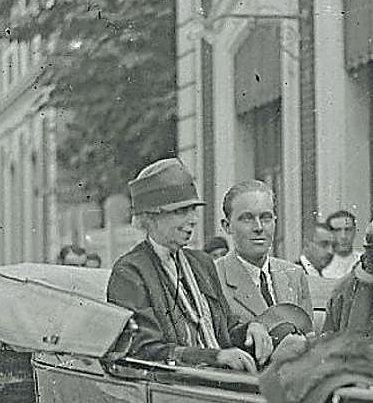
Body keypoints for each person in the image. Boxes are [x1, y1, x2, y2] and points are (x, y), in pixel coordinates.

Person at [106, 158, 271, 370]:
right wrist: (215, 357)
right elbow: (144, 350)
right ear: (150, 218)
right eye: (180, 211)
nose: (193, 219)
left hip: (220, 379)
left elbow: (226, 328)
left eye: (193, 209)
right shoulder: (130, 272)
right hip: (174, 386)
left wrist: (250, 329)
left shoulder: (202, 263)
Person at [215, 180, 313, 326]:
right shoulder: (215, 278)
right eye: (247, 219)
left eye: (266, 217)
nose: (259, 227)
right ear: (227, 226)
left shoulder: (294, 275)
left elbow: (308, 334)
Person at [321, 209, 361, 279]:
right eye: (337, 230)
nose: (343, 236)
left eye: (348, 230)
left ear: (354, 231)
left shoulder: (363, 262)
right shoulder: (319, 266)